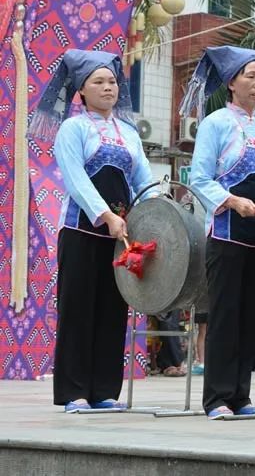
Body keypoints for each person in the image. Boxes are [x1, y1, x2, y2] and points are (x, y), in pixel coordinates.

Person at [29, 49, 156, 412]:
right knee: (78, 309)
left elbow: (142, 178)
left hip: (121, 237)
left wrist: (157, 208)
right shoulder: (74, 128)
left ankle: (103, 391)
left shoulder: (129, 133)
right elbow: (75, 179)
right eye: (98, 82)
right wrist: (106, 215)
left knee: (113, 312)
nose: (107, 88)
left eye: (112, 81)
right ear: (80, 90)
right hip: (83, 231)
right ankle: (74, 392)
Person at [181, 46, 255, 419]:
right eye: (251, 76)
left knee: (248, 318)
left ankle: (241, 397)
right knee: (225, 316)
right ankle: (217, 399)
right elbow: (199, 178)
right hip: (226, 233)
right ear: (231, 83)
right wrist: (231, 201)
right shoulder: (216, 123)